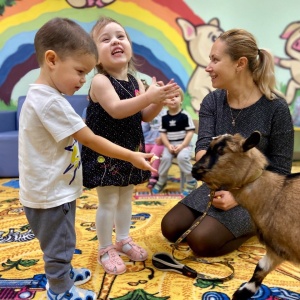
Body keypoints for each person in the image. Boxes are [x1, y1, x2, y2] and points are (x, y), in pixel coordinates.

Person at [18, 17, 158, 300]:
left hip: (56, 186)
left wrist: (156, 99)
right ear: (52, 60)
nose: (83, 80)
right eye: (80, 71)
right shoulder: (52, 102)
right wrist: (132, 155)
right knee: (60, 243)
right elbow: (91, 138)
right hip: (52, 192)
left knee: (64, 238)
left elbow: (140, 114)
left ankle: (64, 273)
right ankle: (60, 290)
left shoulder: (47, 97)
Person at [161, 29, 294, 257]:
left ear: (240, 64)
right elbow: (202, 147)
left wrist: (239, 196)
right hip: (216, 188)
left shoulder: (276, 109)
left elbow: (281, 171)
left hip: (257, 195)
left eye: (215, 59)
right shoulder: (212, 101)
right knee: (170, 227)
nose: (208, 67)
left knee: (201, 242)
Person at [81, 16, 180, 275]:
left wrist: (159, 100)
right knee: (108, 201)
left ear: (129, 47)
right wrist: (149, 96)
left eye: (120, 36)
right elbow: (116, 109)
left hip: (131, 151)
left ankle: (123, 238)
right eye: (105, 39)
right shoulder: (100, 81)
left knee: (126, 198)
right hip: (106, 154)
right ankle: (105, 247)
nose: (115, 41)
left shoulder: (136, 82)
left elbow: (144, 115)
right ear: (95, 57)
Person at [152, 88, 197, 196]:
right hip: (170, 145)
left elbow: (190, 132)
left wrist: (182, 145)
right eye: (169, 97)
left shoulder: (185, 115)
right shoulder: (164, 117)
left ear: (181, 100)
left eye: (176, 96)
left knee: (182, 157)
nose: (173, 99)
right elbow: (163, 134)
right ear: (165, 101)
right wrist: (168, 145)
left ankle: (191, 181)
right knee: (165, 158)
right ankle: (161, 180)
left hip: (184, 145)